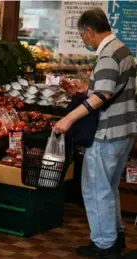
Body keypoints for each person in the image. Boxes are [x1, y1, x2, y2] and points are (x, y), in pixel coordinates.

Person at [54, 8, 136, 258]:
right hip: (125, 130)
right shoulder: (122, 48)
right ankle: (115, 236)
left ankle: (104, 244)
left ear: (90, 31)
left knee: (95, 188)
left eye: (82, 37)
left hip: (108, 133)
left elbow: (103, 96)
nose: (84, 42)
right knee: (108, 187)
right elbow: (110, 88)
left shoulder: (108, 54)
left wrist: (68, 119)